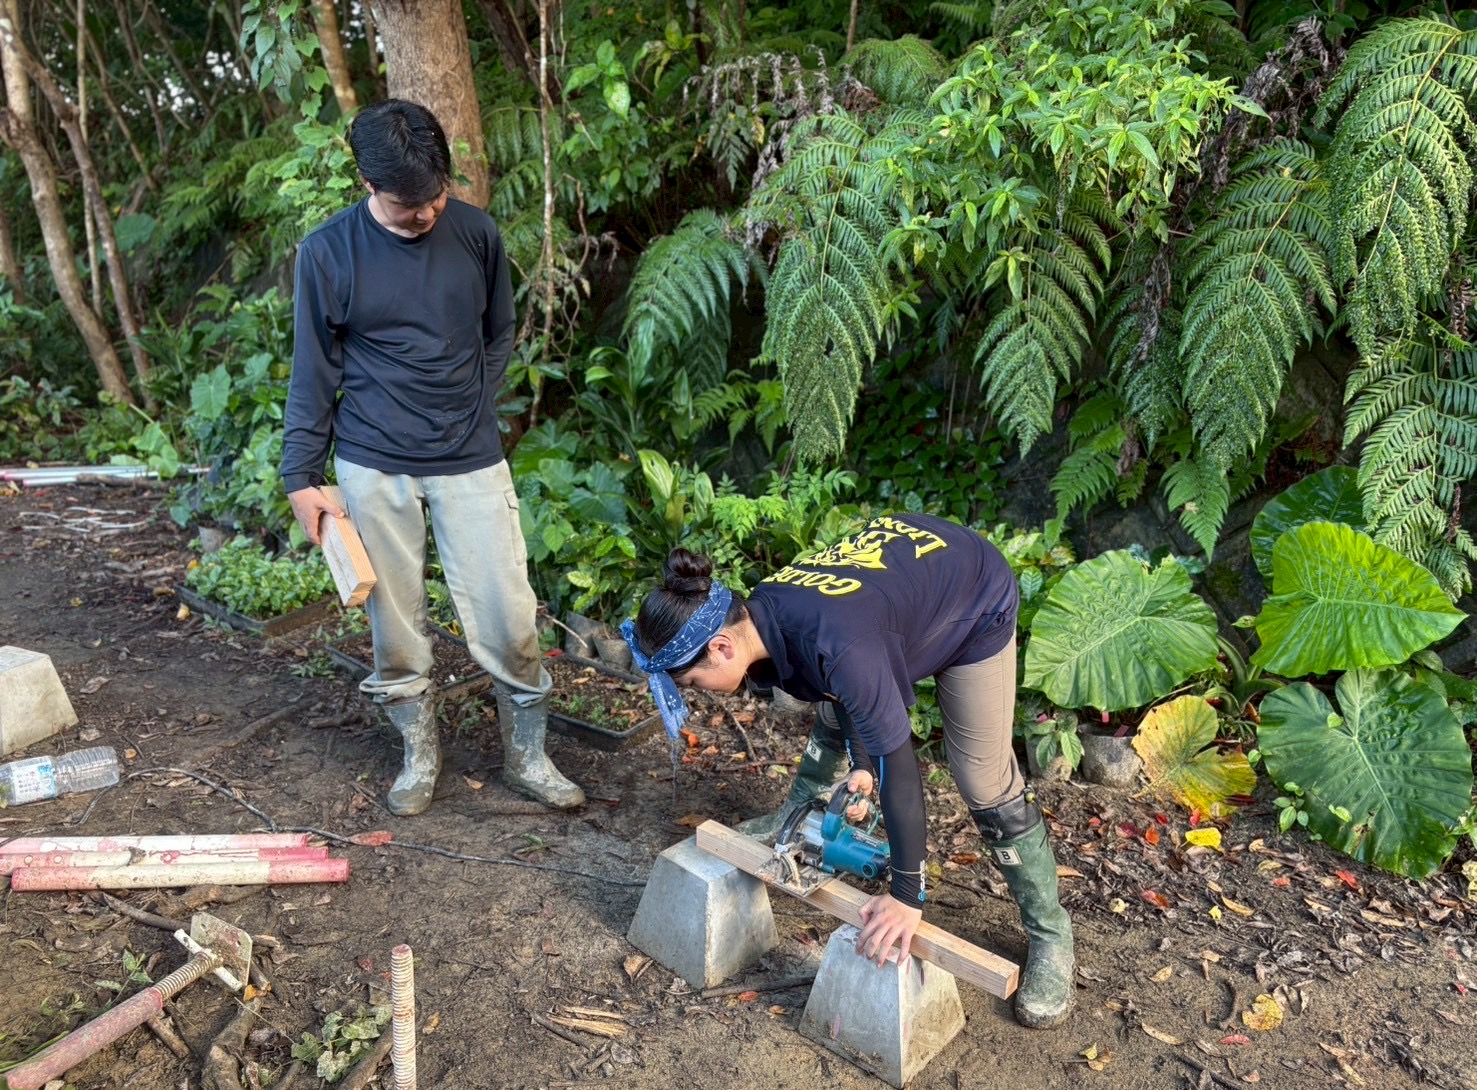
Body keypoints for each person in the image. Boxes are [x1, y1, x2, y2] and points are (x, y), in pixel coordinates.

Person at [621, 513, 1074, 1028]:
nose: (695, 693)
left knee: (981, 777)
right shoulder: (765, 612)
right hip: (899, 593)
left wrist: (907, 896)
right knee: (839, 687)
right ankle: (797, 815)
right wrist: (862, 767)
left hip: (971, 596)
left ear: (722, 647)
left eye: (694, 682)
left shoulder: (838, 642)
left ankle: (1051, 934)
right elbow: (844, 688)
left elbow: (901, 767)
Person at [281, 99, 583, 815]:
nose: (424, 214)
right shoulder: (328, 253)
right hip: (372, 462)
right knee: (396, 621)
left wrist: (469, 406)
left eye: (435, 197)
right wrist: (301, 475)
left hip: (470, 457)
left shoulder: (475, 233)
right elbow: (312, 371)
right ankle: (419, 754)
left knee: (510, 612)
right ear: (365, 180)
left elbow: (499, 330)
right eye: (406, 204)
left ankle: (528, 755)